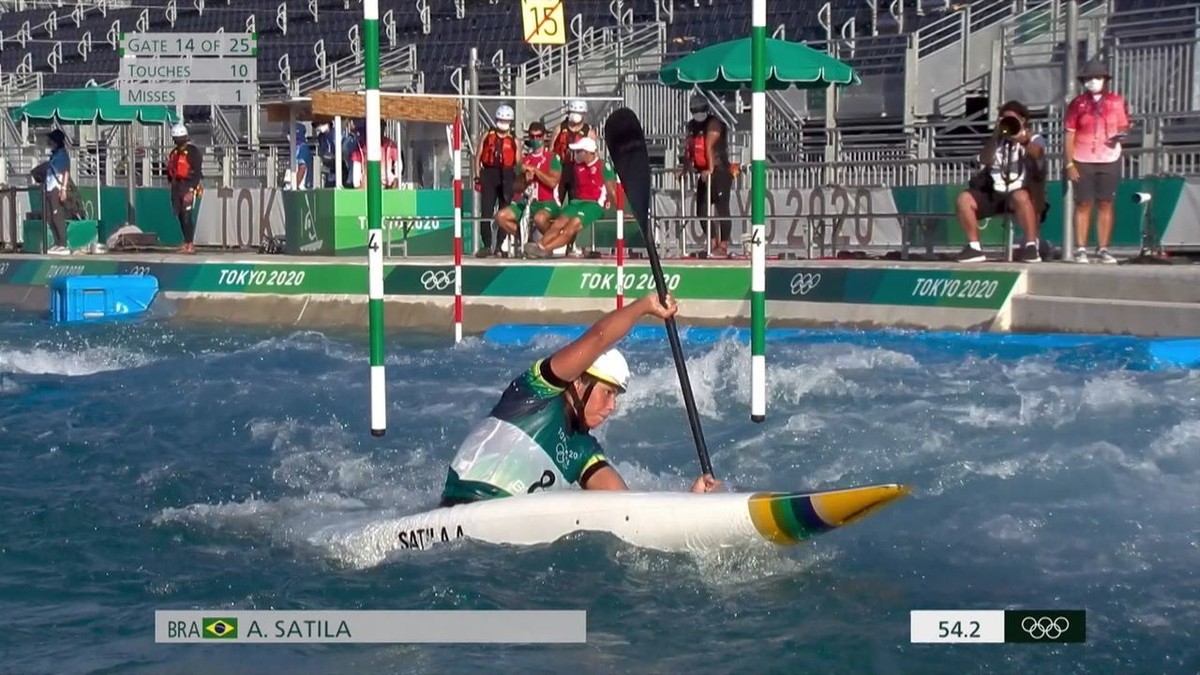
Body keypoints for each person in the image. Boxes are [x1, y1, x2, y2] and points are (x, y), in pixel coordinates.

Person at [439, 292, 721, 507]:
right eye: (607, 392)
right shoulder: (535, 393)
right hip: (460, 508)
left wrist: (691, 501)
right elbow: (598, 338)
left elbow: (629, 509)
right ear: (578, 382)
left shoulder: (584, 450)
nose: (612, 407)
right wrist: (644, 306)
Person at [954, 100, 1047, 263]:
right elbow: (984, 158)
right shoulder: (997, 141)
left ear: (1023, 120)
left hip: (1020, 191)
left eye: (1012, 119)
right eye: (1004, 119)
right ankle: (974, 247)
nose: (1008, 123)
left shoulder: (1034, 138)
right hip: (994, 192)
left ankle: (1031, 247)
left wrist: (1021, 138)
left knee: (1021, 197)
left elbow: (1038, 153)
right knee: (964, 199)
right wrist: (996, 135)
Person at [1065, 58, 1130, 264]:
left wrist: (1120, 134)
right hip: (1083, 157)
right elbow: (1069, 134)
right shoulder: (1077, 104)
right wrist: (1069, 163)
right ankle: (1081, 248)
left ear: (1105, 79)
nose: (1093, 81)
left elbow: (1123, 125)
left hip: (1109, 156)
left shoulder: (1116, 101)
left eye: (1097, 77)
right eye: (1088, 78)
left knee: (1106, 202)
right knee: (1083, 203)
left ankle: (1102, 248)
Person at [522, 136, 614, 259]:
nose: (575, 154)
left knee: (571, 225)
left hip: (594, 204)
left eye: (578, 152)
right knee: (558, 223)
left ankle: (545, 249)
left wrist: (619, 209)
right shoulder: (577, 167)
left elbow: (611, 190)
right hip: (577, 203)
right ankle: (540, 245)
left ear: (587, 153)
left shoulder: (603, 165)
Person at [494, 122, 561, 249]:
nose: (536, 139)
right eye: (533, 136)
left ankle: (553, 241)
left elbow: (553, 182)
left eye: (539, 136)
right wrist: (524, 179)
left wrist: (536, 171)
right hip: (527, 202)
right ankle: (528, 240)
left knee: (539, 218)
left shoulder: (552, 157)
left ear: (544, 136)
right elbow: (516, 187)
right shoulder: (525, 160)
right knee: (501, 216)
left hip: (547, 202)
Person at [683, 94, 733, 257]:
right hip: (704, 172)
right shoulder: (691, 126)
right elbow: (689, 149)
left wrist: (711, 169)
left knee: (721, 207)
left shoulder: (714, 124)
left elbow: (709, 147)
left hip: (719, 171)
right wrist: (685, 169)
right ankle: (711, 242)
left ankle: (723, 245)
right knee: (701, 208)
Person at [474, 104, 521, 257]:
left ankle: (500, 246)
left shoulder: (514, 139)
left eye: (506, 120)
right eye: (500, 119)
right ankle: (487, 245)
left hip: (507, 175)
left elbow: (518, 162)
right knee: (486, 211)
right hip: (488, 174)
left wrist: (518, 183)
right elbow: (478, 156)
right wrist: (477, 176)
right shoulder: (488, 134)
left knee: (504, 210)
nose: (503, 123)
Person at [165, 123, 204, 255]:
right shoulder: (174, 153)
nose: (178, 141)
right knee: (180, 216)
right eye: (176, 138)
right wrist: (171, 182)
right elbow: (170, 171)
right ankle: (185, 242)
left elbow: (197, 172)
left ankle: (190, 243)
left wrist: (192, 189)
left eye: (180, 137)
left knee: (187, 216)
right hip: (177, 187)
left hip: (188, 186)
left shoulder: (193, 152)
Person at [41, 129, 72, 255]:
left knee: (57, 216)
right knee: (49, 217)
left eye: (51, 139)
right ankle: (57, 242)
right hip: (48, 188)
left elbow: (66, 172)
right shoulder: (53, 155)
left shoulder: (63, 156)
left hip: (56, 189)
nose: (49, 141)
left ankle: (63, 243)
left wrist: (63, 189)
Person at [291, 123, 314, 190]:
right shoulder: (295, 147)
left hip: (301, 188)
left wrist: (295, 185)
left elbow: (302, 169)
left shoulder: (303, 148)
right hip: (293, 186)